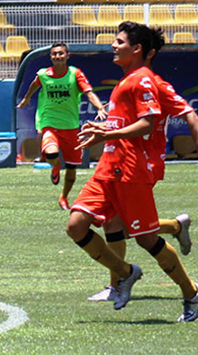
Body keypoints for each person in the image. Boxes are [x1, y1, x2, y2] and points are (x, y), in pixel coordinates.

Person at [68, 21, 197, 322]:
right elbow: (126, 123)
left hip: (131, 170)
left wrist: (105, 136)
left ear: (137, 49)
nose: (113, 45)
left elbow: (147, 125)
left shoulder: (143, 80)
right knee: (76, 225)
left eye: (119, 41)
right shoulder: (126, 80)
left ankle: (191, 292)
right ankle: (125, 274)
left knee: (146, 239)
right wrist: (105, 127)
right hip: (108, 168)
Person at [16, 42, 106, 209]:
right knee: (51, 153)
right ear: (51, 57)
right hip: (48, 122)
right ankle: (55, 165)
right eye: (54, 54)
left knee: (72, 169)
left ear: (67, 56)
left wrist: (100, 107)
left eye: (61, 53)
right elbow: (34, 84)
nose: (57, 56)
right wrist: (27, 98)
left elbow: (89, 92)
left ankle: (64, 197)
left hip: (70, 126)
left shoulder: (75, 74)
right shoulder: (43, 74)